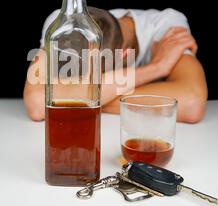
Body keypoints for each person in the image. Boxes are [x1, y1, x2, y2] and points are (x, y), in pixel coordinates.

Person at [23, 7, 207, 123]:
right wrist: (156, 68)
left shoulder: (167, 26)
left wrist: (79, 97)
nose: (96, 87)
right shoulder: (63, 22)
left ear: (123, 57)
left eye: (98, 79)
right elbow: (36, 104)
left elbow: (191, 103)